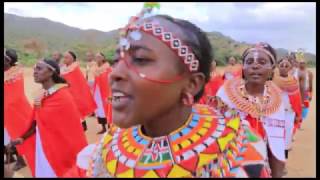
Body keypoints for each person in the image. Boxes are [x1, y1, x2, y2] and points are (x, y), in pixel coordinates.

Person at [65, 4, 270, 178]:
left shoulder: (240, 152)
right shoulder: (105, 150)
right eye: (118, 60)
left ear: (192, 84)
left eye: (141, 60)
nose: (115, 74)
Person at [217, 42, 291, 177]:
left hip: (262, 167)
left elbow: (277, 143)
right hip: (229, 166)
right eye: (249, 62)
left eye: (262, 62)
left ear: (271, 69)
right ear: (243, 68)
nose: (255, 66)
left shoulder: (276, 99)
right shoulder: (226, 94)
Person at [9, 59, 88, 177]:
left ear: (51, 72)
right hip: (43, 147)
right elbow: (37, 121)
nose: (34, 71)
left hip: (58, 151)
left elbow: (70, 133)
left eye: (39, 68)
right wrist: (22, 138)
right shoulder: (43, 95)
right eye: (35, 68)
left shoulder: (63, 97)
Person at [4, 48, 33, 171]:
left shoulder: (13, 74)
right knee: (7, 136)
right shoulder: (10, 72)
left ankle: (20, 160)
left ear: (8, 61)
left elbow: (14, 96)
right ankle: (11, 157)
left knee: (15, 135)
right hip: (9, 110)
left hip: (13, 111)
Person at [273, 56, 302, 172]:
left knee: (285, 140)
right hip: (274, 114)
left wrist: (298, 114)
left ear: (290, 68)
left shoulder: (294, 82)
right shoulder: (272, 81)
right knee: (274, 138)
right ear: (278, 67)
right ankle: (272, 162)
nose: (284, 68)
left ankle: (283, 164)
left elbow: (297, 99)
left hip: (289, 114)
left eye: (286, 66)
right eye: (282, 65)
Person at [61, 51, 97, 131]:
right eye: (64, 57)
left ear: (73, 59)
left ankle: (82, 126)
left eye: (67, 57)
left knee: (76, 110)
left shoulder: (74, 69)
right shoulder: (63, 69)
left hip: (74, 93)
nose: (65, 59)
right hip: (66, 93)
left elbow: (78, 83)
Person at [92, 52, 112, 134]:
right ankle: (103, 127)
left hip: (106, 92)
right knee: (99, 109)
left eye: (99, 57)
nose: (97, 59)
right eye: (96, 57)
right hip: (97, 92)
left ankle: (110, 128)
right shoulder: (95, 69)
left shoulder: (108, 68)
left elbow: (110, 81)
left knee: (108, 108)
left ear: (103, 58)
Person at [297, 57, 313, 122]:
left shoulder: (309, 73)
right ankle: (296, 119)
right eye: (300, 63)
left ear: (306, 64)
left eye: (303, 63)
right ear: (298, 64)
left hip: (306, 93)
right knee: (297, 106)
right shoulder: (296, 72)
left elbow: (311, 84)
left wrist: (311, 94)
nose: (302, 64)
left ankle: (301, 120)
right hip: (297, 92)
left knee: (305, 107)